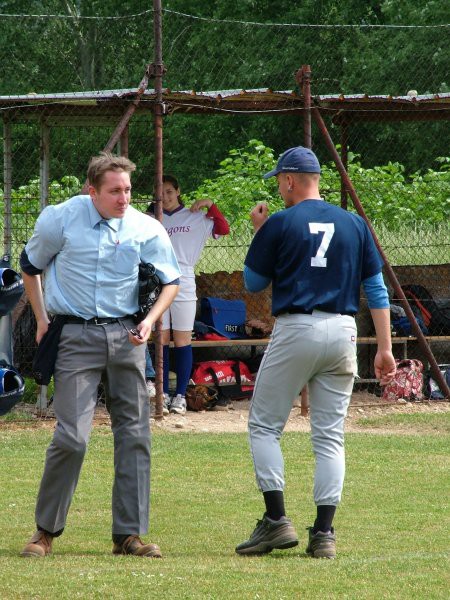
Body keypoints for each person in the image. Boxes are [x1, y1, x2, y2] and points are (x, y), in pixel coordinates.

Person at [236, 146, 396, 558]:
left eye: (279, 180)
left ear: (290, 180)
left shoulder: (280, 221)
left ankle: (275, 521)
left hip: (297, 326)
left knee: (265, 426)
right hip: (343, 330)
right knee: (329, 436)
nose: (279, 187)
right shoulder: (355, 223)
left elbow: (253, 283)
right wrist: (384, 348)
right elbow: (376, 290)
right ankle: (324, 533)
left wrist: (260, 230)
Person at [19, 152, 181, 559]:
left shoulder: (146, 228)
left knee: (135, 434)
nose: (124, 198)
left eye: (127, 189)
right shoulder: (61, 219)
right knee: (71, 436)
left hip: (127, 336)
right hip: (74, 335)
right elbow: (30, 266)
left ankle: (129, 536)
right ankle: (44, 533)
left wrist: (150, 321)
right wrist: (41, 319)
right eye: (114, 191)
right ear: (92, 191)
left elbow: (171, 282)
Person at [147, 175, 230, 416]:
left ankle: (181, 395)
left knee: (182, 340)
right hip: (156, 279)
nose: (165, 196)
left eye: (170, 191)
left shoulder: (194, 217)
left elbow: (223, 228)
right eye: (160, 192)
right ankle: (162, 393)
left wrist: (209, 204)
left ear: (178, 191)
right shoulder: (151, 219)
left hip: (183, 278)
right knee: (160, 338)